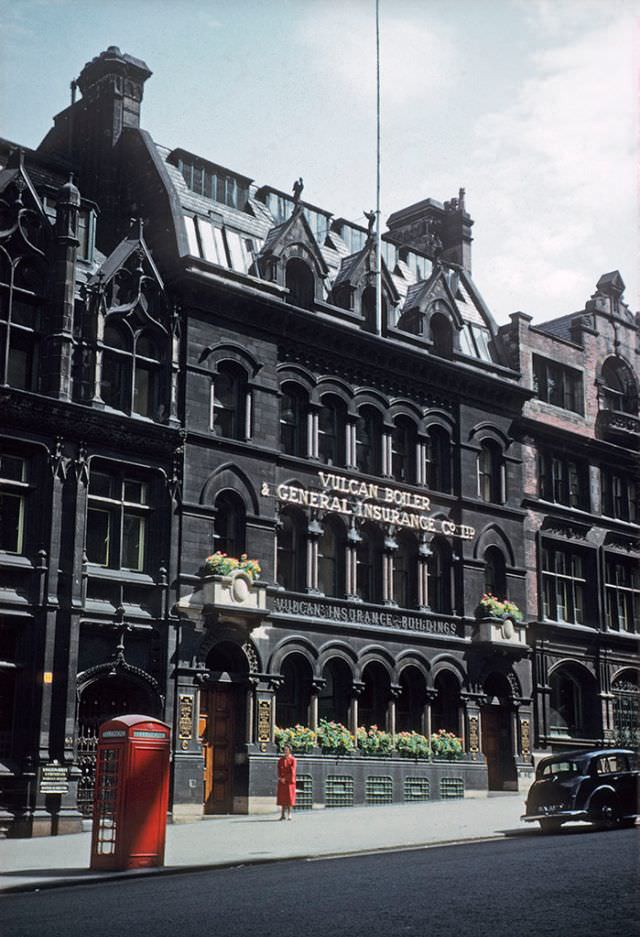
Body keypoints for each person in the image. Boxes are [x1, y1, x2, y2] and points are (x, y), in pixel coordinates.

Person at [276, 744, 297, 820]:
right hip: (282, 781)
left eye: (286, 750)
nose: (285, 751)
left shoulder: (293, 760)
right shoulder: (280, 760)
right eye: (284, 750)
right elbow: (279, 769)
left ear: (289, 751)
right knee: (282, 799)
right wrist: (280, 778)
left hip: (289, 782)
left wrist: (286, 779)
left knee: (289, 799)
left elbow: (293, 771)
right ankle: (282, 814)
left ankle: (289, 814)